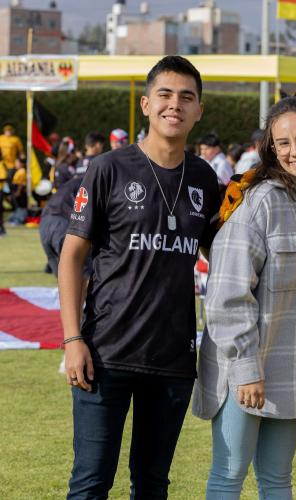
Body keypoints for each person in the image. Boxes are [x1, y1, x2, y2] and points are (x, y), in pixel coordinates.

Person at [58, 55, 221, 498]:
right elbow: (72, 256)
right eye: (165, 95)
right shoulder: (108, 168)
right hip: (105, 354)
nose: (175, 105)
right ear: (146, 104)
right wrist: (72, 340)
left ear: (199, 110)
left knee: (152, 485)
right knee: (90, 483)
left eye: (186, 97)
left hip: (172, 360)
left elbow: (222, 252)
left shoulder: (204, 178)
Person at [193, 94, 296, 499]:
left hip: (293, 368)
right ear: (272, 150)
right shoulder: (260, 202)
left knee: (277, 478)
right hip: (244, 369)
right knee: (228, 476)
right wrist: (247, 369)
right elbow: (226, 295)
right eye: (283, 143)